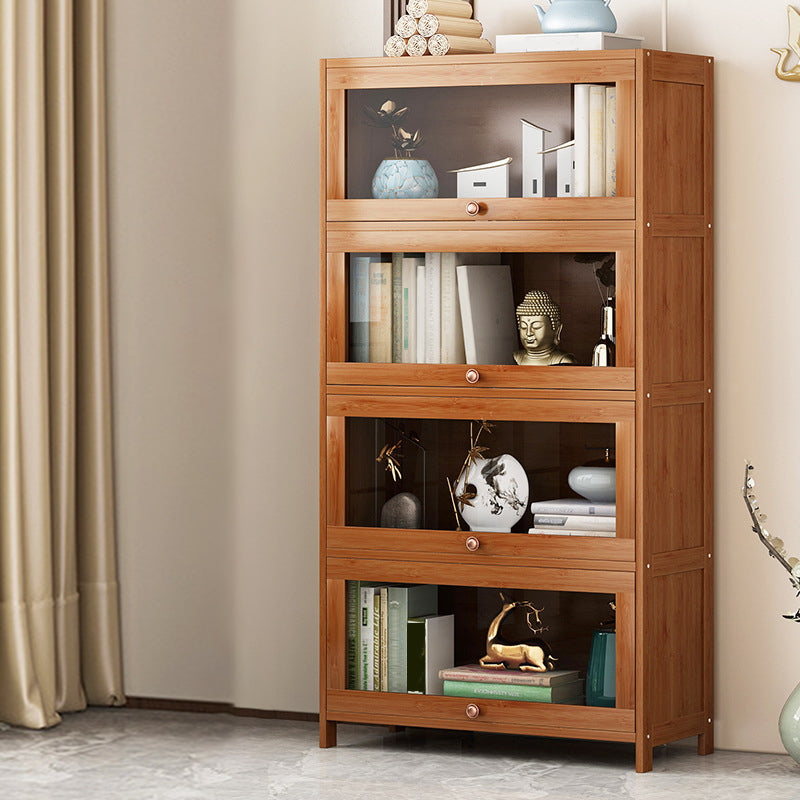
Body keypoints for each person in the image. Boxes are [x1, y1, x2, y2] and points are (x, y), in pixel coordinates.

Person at [513, 289, 577, 366]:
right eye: (523, 327)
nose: (528, 333)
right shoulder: (515, 358)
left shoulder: (563, 360)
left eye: (536, 327)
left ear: (556, 329)